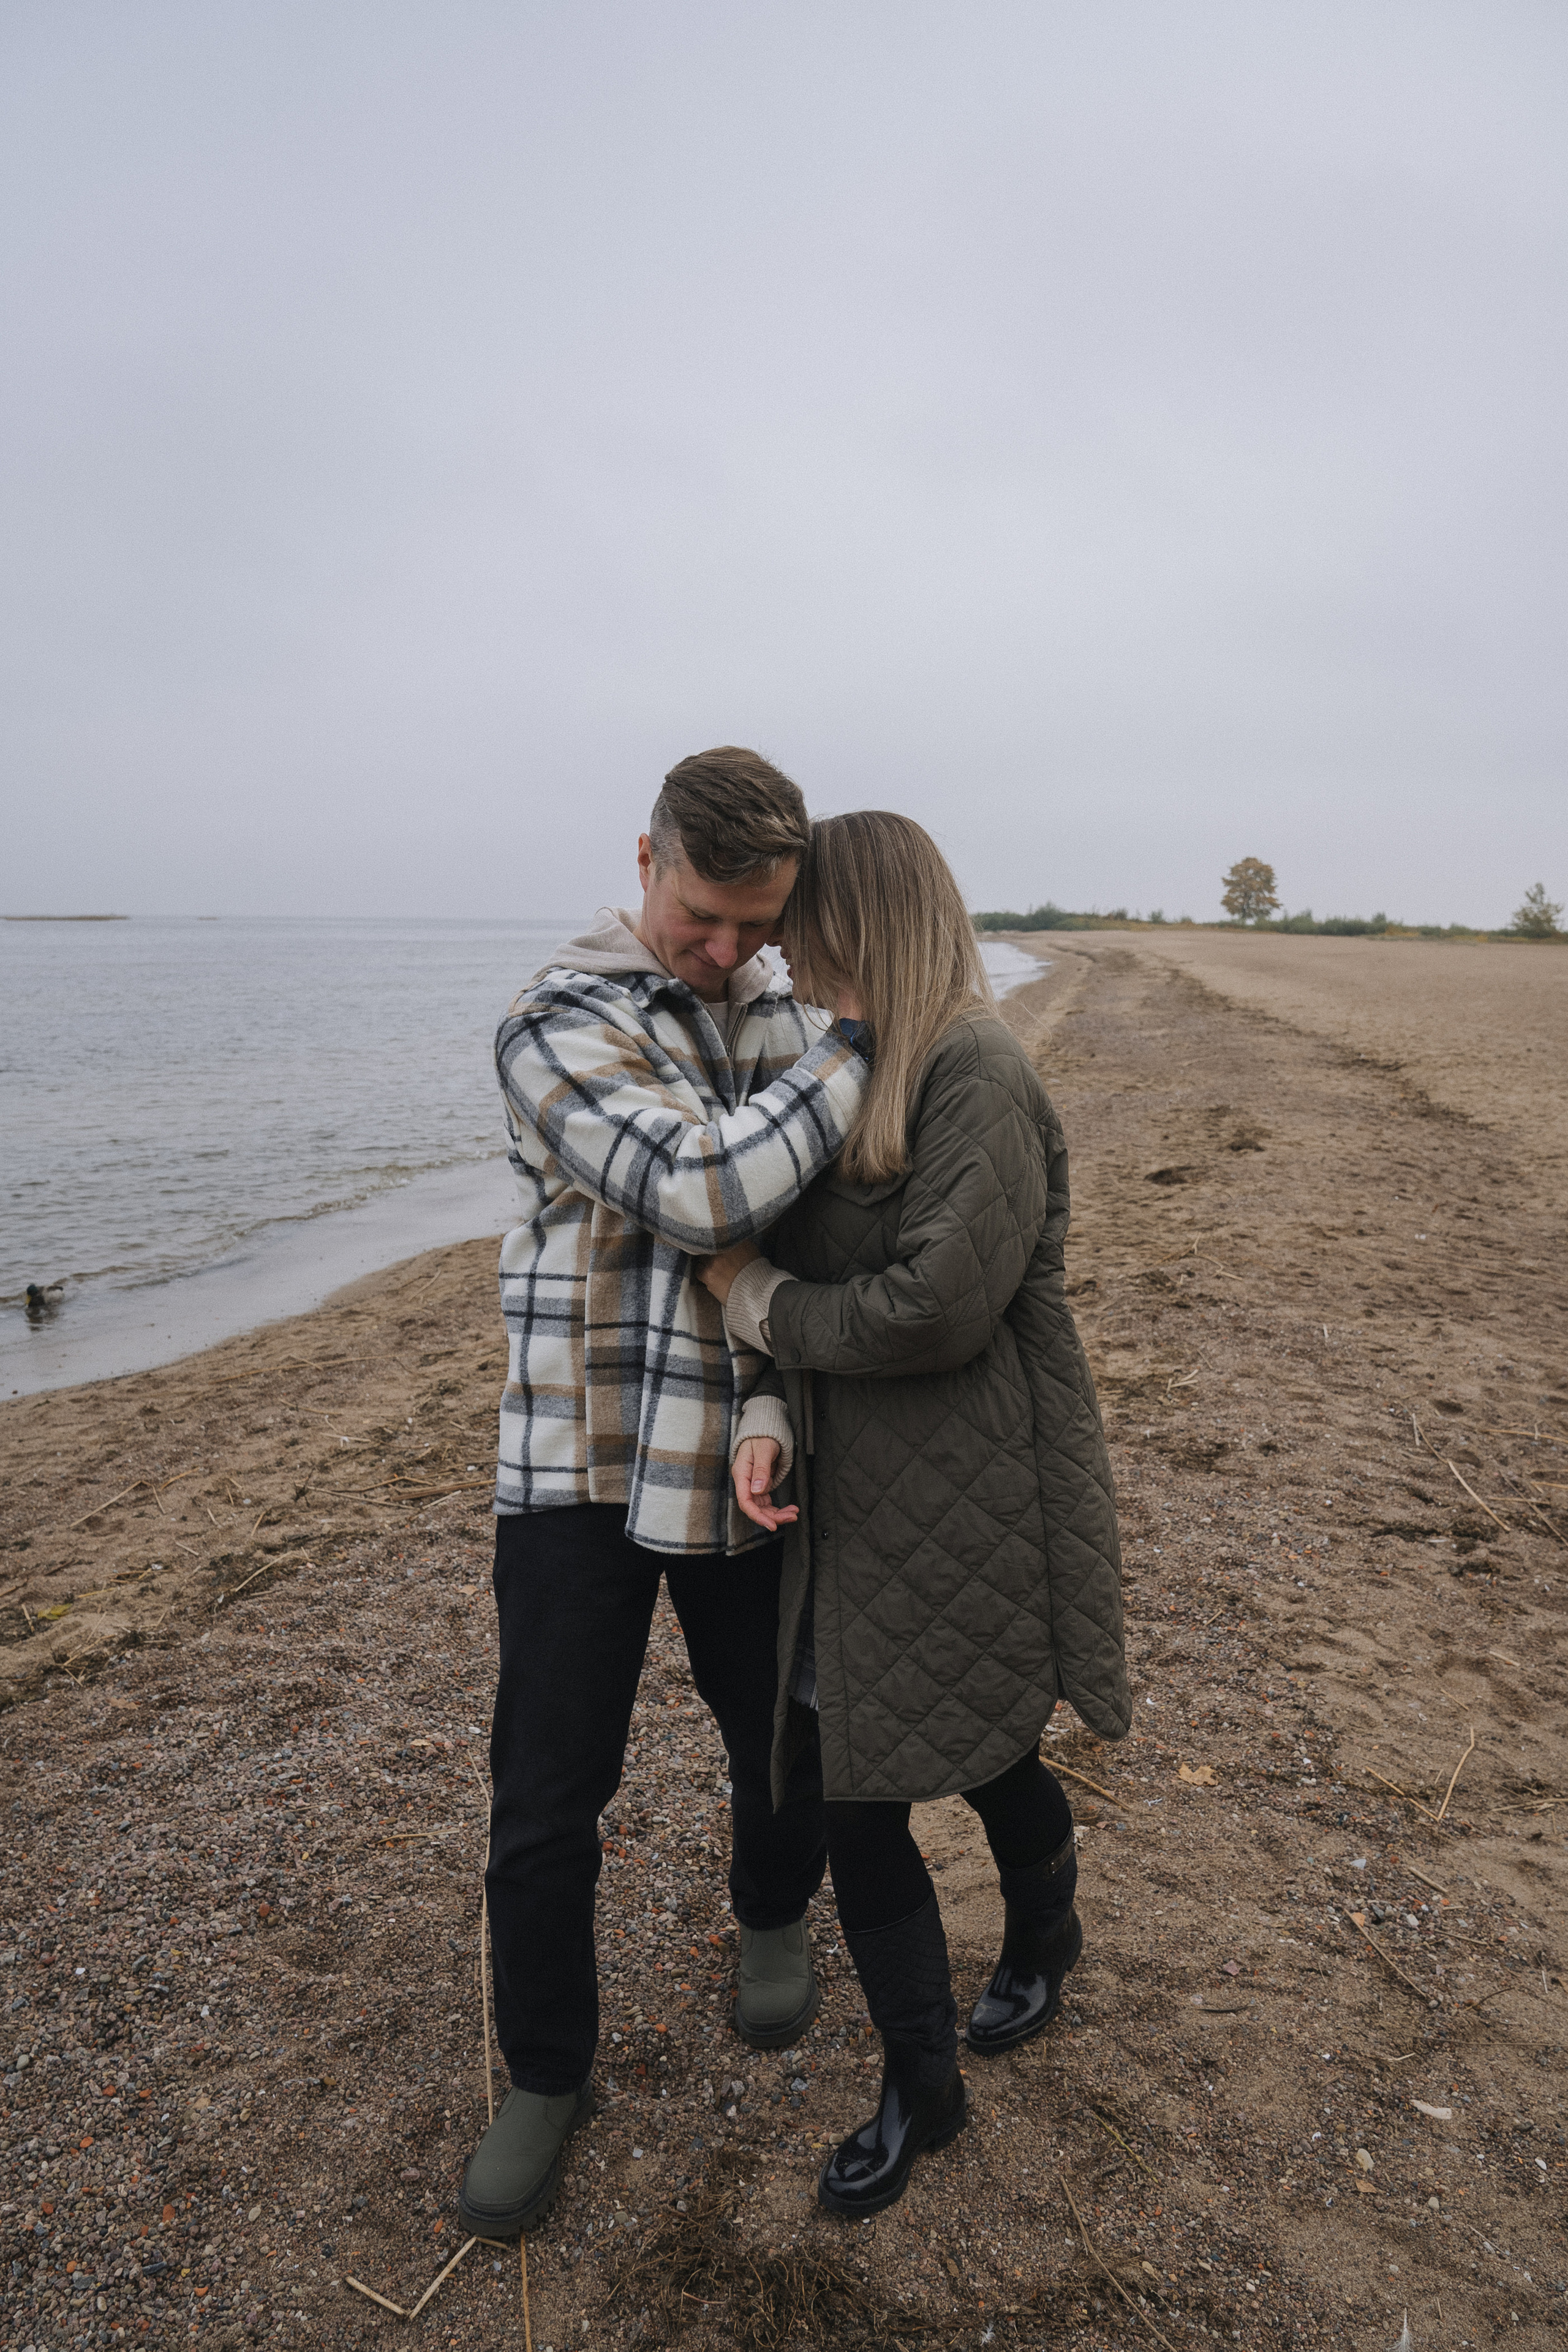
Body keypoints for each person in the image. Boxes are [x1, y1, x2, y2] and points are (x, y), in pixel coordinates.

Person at [457, 748, 870, 2240]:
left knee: (781, 1730)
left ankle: (770, 1921)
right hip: (571, 1459)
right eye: (702, 916)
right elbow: (702, 1192)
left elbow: (795, 1244)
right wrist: (853, 1048)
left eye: (755, 926)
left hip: (739, 1453)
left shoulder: (779, 1008)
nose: (723, 953)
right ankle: (543, 2073)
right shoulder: (548, 1017)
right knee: (548, 1790)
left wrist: (769, 1400)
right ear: (643, 862)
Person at [698, 810, 1129, 2219]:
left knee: (984, 1750)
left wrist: (760, 1304)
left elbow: (939, 1308)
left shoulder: (975, 1067)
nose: (786, 959)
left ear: (866, 921)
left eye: (806, 933)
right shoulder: (852, 1064)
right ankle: (923, 2080)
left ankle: (1041, 1947)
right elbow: (798, 1273)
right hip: (849, 1504)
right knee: (855, 1782)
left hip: (971, 1486)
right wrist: (765, 1400)